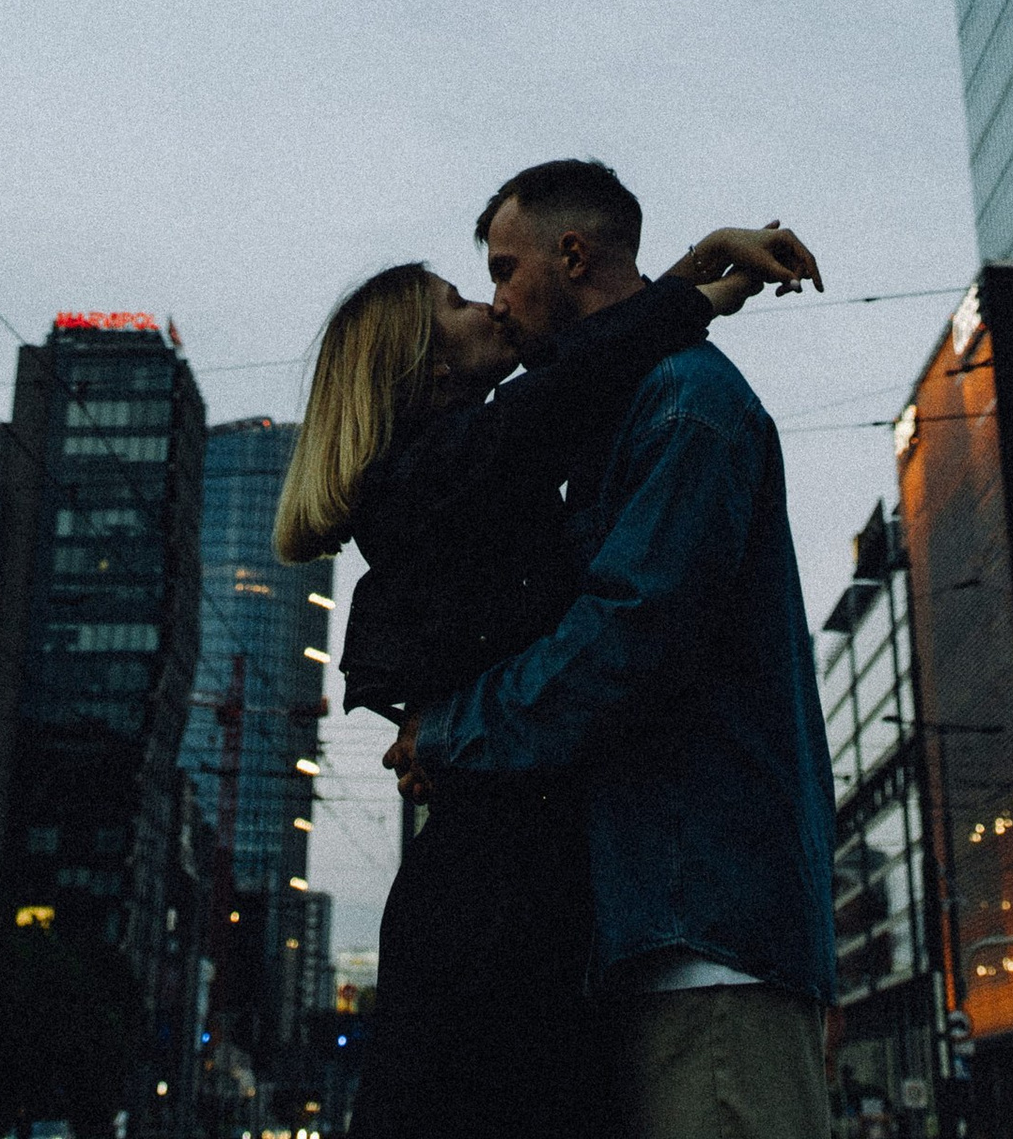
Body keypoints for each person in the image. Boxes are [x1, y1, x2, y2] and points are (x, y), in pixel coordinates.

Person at [275, 207, 820, 1136]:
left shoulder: (474, 469)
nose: (489, 303)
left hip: (531, 911)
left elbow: (585, 370)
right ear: (424, 364)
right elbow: (572, 389)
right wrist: (696, 284)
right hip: (498, 920)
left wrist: (698, 279)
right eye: (460, 297)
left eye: (495, 275)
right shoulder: (437, 478)